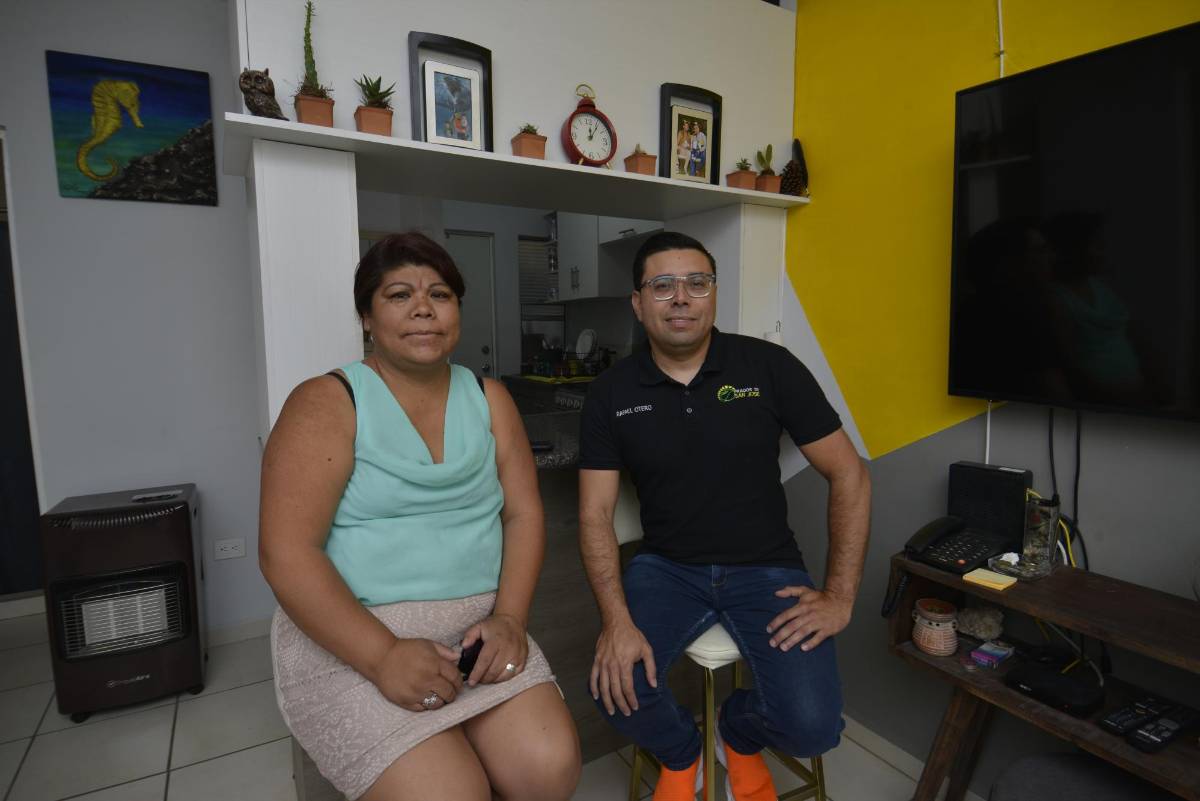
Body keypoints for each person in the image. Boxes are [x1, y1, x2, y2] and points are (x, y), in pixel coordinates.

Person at [260, 232, 580, 801]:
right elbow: (285, 553)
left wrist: (510, 618)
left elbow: (524, 515)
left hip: (478, 630)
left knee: (548, 770)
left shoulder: (490, 398)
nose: (424, 309)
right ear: (366, 317)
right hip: (357, 636)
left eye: (440, 294)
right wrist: (382, 655)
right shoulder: (327, 402)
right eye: (399, 294)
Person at [578, 231, 871, 801]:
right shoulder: (611, 392)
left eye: (697, 283)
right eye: (662, 285)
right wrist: (615, 621)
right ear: (637, 303)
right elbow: (594, 513)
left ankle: (735, 732)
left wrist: (840, 595)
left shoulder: (769, 366)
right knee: (614, 689)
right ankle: (684, 752)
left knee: (812, 728)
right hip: (666, 567)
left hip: (767, 567)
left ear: (713, 294)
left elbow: (850, 474)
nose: (681, 298)